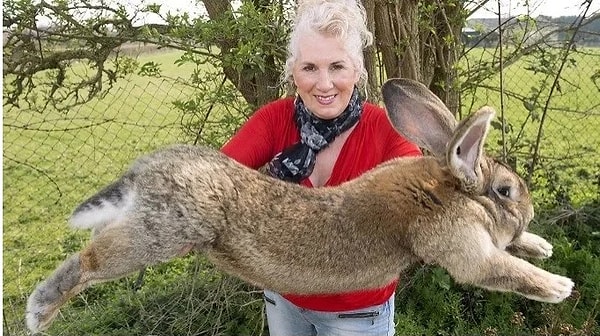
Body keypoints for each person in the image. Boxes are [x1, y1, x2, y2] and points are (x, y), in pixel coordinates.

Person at [221, 0, 421, 335]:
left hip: (357, 314)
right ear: (293, 71)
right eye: (310, 67)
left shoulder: (385, 130)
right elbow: (211, 179)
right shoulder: (274, 120)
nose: (324, 84)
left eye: (337, 67)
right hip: (284, 300)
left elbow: (421, 201)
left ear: (357, 70)